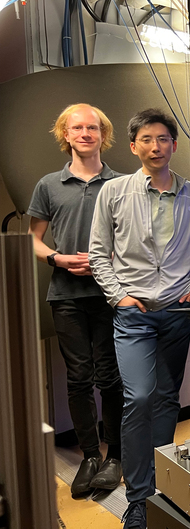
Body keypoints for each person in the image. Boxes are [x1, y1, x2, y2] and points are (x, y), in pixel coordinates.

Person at [89, 108, 190, 529]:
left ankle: (163, 486)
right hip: (134, 314)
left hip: (177, 312)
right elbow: (99, 253)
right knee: (138, 397)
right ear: (134, 145)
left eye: (163, 139)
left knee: (167, 399)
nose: (155, 147)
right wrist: (119, 297)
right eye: (147, 140)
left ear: (174, 145)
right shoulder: (115, 192)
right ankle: (138, 497)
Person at [27, 103, 124, 496]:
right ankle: (89, 456)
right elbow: (31, 240)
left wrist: (108, 260)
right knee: (78, 379)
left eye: (93, 128)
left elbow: (134, 241)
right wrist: (57, 258)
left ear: (103, 135)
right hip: (66, 296)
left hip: (109, 295)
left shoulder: (121, 184)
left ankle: (114, 455)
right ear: (64, 135)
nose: (85, 133)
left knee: (111, 377)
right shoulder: (48, 185)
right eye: (77, 128)